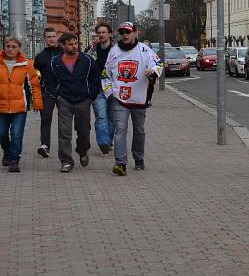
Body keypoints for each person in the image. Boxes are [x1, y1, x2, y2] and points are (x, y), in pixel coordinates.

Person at [103, 22, 163, 176]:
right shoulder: (114, 51)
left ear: (135, 33)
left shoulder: (144, 50)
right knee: (120, 129)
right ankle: (120, 163)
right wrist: (109, 92)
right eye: (122, 32)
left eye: (128, 32)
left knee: (139, 130)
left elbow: (158, 64)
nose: (125, 35)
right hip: (119, 98)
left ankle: (138, 158)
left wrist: (153, 70)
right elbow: (105, 74)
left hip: (139, 98)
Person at [45, 33, 101, 173]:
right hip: (64, 100)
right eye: (70, 44)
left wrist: (91, 96)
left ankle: (82, 150)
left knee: (83, 130)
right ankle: (66, 161)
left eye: (75, 43)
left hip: (83, 100)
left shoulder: (87, 60)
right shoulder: (55, 62)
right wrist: (57, 95)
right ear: (63, 46)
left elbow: (96, 79)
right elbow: (49, 81)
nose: (74, 46)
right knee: (64, 132)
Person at [0, 38, 43, 173]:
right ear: (4, 47)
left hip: (20, 107)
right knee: (1, 133)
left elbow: (34, 85)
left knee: (16, 134)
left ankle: (14, 160)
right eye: (8, 46)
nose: (10, 49)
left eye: (14, 46)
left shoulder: (27, 64)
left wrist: (37, 103)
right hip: (1, 106)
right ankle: (7, 151)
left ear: (19, 48)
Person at [34, 27, 62, 158]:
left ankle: (64, 146)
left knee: (64, 120)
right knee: (45, 119)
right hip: (47, 92)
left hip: (64, 92)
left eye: (53, 36)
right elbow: (35, 75)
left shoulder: (64, 53)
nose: (51, 39)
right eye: (48, 37)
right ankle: (44, 145)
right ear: (45, 39)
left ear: (57, 37)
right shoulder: (40, 57)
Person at [87, 22, 114, 153]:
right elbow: (84, 60)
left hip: (113, 88)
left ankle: (109, 139)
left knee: (113, 118)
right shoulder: (93, 49)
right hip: (97, 87)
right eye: (99, 32)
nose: (101, 35)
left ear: (110, 34)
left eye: (104, 32)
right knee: (101, 116)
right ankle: (104, 142)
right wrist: (92, 46)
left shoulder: (116, 50)